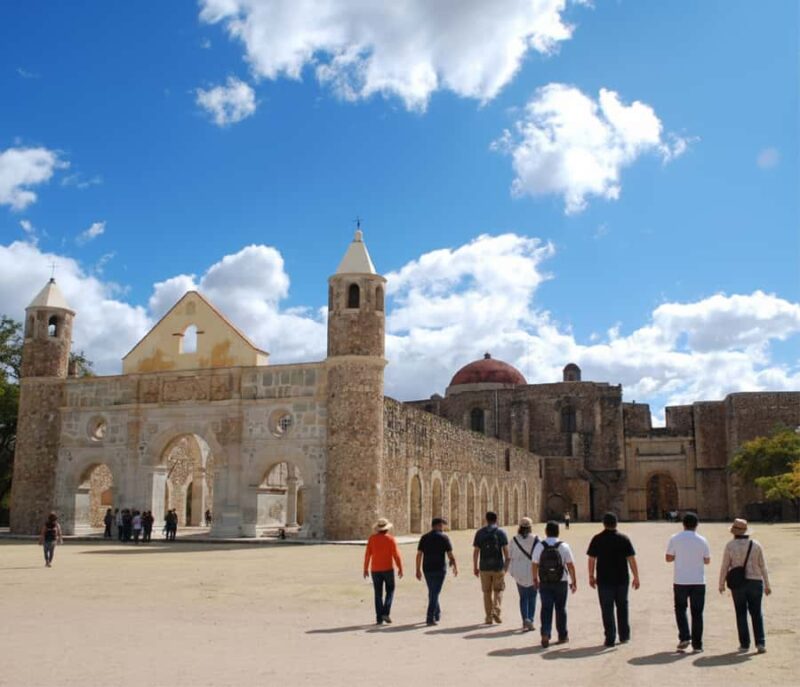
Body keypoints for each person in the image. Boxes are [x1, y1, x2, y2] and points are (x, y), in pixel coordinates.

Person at [718, 518, 771, 654]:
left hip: (738, 583)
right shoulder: (756, 545)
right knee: (756, 613)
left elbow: (725, 566)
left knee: (741, 613)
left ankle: (744, 644)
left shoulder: (730, 546)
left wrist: (721, 583)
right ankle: (760, 643)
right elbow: (763, 566)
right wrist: (767, 584)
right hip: (755, 582)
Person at [587, 512, 640, 647]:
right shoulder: (624, 539)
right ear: (616, 523)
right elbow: (631, 559)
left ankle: (610, 638)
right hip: (622, 579)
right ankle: (624, 635)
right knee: (622, 607)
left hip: (604, 580)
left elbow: (592, 559)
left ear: (604, 524)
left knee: (607, 609)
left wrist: (591, 576)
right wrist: (636, 576)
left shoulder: (597, 539)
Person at [666, 512, 711, 653]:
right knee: (697, 613)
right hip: (698, 580)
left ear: (683, 524)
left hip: (681, 580)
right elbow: (707, 560)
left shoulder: (675, 538)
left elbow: (668, 558)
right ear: (697, 525)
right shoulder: (702, 540)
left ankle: (684, 637)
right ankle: (697, 645)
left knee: (680, 609)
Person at [532, 520, 577, 648]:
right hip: (561, 581)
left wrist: (535, 579)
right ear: (558, 532)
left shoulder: (540, 546)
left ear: (546, 531)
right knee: (560, 609)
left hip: (545, 581)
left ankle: (545, 634)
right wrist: (574, 581)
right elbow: (570, 565)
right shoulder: (564, 546)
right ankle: (562, 635)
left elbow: (534, 564)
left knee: (546, 608)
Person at [416, 517, 458, 626]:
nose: (443, 528)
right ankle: (430, 617)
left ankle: (437, 613)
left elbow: (419, 554)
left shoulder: (424, 537)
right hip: (439, 569)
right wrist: (455, 566)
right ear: (438, 525)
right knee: (434, 592)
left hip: (427, 568)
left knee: (433, 591)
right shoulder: (444, 538)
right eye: (442, 525)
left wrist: (418, 569)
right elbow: (450, 554)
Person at [363, 518, 403, 625]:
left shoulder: (372, 539)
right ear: (387, 529)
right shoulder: (390, 539)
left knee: (378, 594)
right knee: (390, 590)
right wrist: (400, 567)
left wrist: (365, 569)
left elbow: (367, 555)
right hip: (388, 569)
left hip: (375, 570)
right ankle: (385, 612)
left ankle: (379, 618)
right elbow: (396, 555)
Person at [472, 511, 510, 624]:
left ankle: (488, 617)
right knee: (498, 590)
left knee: (486, 592)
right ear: (496, 519)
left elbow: (476, 552)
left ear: (486, 519)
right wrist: (505, 568)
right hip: (498, 566)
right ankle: (496, 610)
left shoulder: (480, 533)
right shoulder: (501, 532)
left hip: (484, 567)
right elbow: (507, 553)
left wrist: (475, 567)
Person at [507, 516, 539, 631]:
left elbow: (509, 556)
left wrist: (510, 571)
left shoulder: (514, 540)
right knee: (533, 596)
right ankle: (530, 619)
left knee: (523, 597)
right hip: (532, 570)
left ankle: (525, 620)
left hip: (519, 571)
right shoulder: (536, 539)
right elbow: (540, 555)